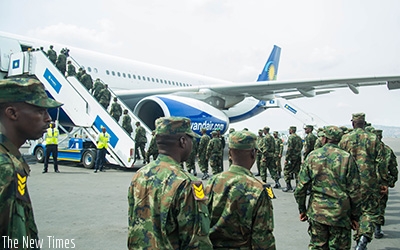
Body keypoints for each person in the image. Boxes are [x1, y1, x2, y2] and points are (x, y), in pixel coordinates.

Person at [127, 117, 212, 249]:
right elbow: (197, 240)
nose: (192, 143)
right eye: (191, 139)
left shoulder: (139, 175)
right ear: (183, 141)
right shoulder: (189, 183)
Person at [0, 78, 62, 249]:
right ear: (12, 113)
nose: (48, 119)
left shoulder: (11, 158)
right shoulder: (3, 165)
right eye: (40, 111)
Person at [205, 130, 276, 249]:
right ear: (253, 153)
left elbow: (202, 220)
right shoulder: (261, 188)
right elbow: (262, 236)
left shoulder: (212, 181)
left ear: (230, 154)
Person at [294, 126, 362, 249]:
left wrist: (302, 210)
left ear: (324, 139)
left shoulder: (312, 156)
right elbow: (355, 192)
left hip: (317, 212)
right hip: (340, 214)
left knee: (318, 246)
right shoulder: (346, 158)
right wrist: (355, 216)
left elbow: (300, 188)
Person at [339, 113, 388, 249]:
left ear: (353, 123)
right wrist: (383, 182)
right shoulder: (373, 139)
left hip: (349, 182)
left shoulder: (345, 139)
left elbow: (340, 160)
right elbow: (381, 162)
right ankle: (362, 240)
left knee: (352, 211)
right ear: (364, 123)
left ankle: (356, 239)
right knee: (368, 212)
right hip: (369, 182)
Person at [373, 129, 398, 239]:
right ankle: (377, 229)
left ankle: (363, 235)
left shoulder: (367, 150)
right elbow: (393, 170)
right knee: (380, 206)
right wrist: (390, 183)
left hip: (367, 184)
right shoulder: (387, 150)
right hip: (382, 184)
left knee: (366, 208)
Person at [282, 126, 303, 192]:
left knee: (286, 171)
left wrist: (287, 158)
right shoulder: (299, 138)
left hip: (291, 158)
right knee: (297, 172)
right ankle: (297, 187)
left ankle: (288, 186)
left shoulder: (291, 137)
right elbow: (301, 146)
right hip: (298, 157)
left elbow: (289, 148)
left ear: (291, 130)